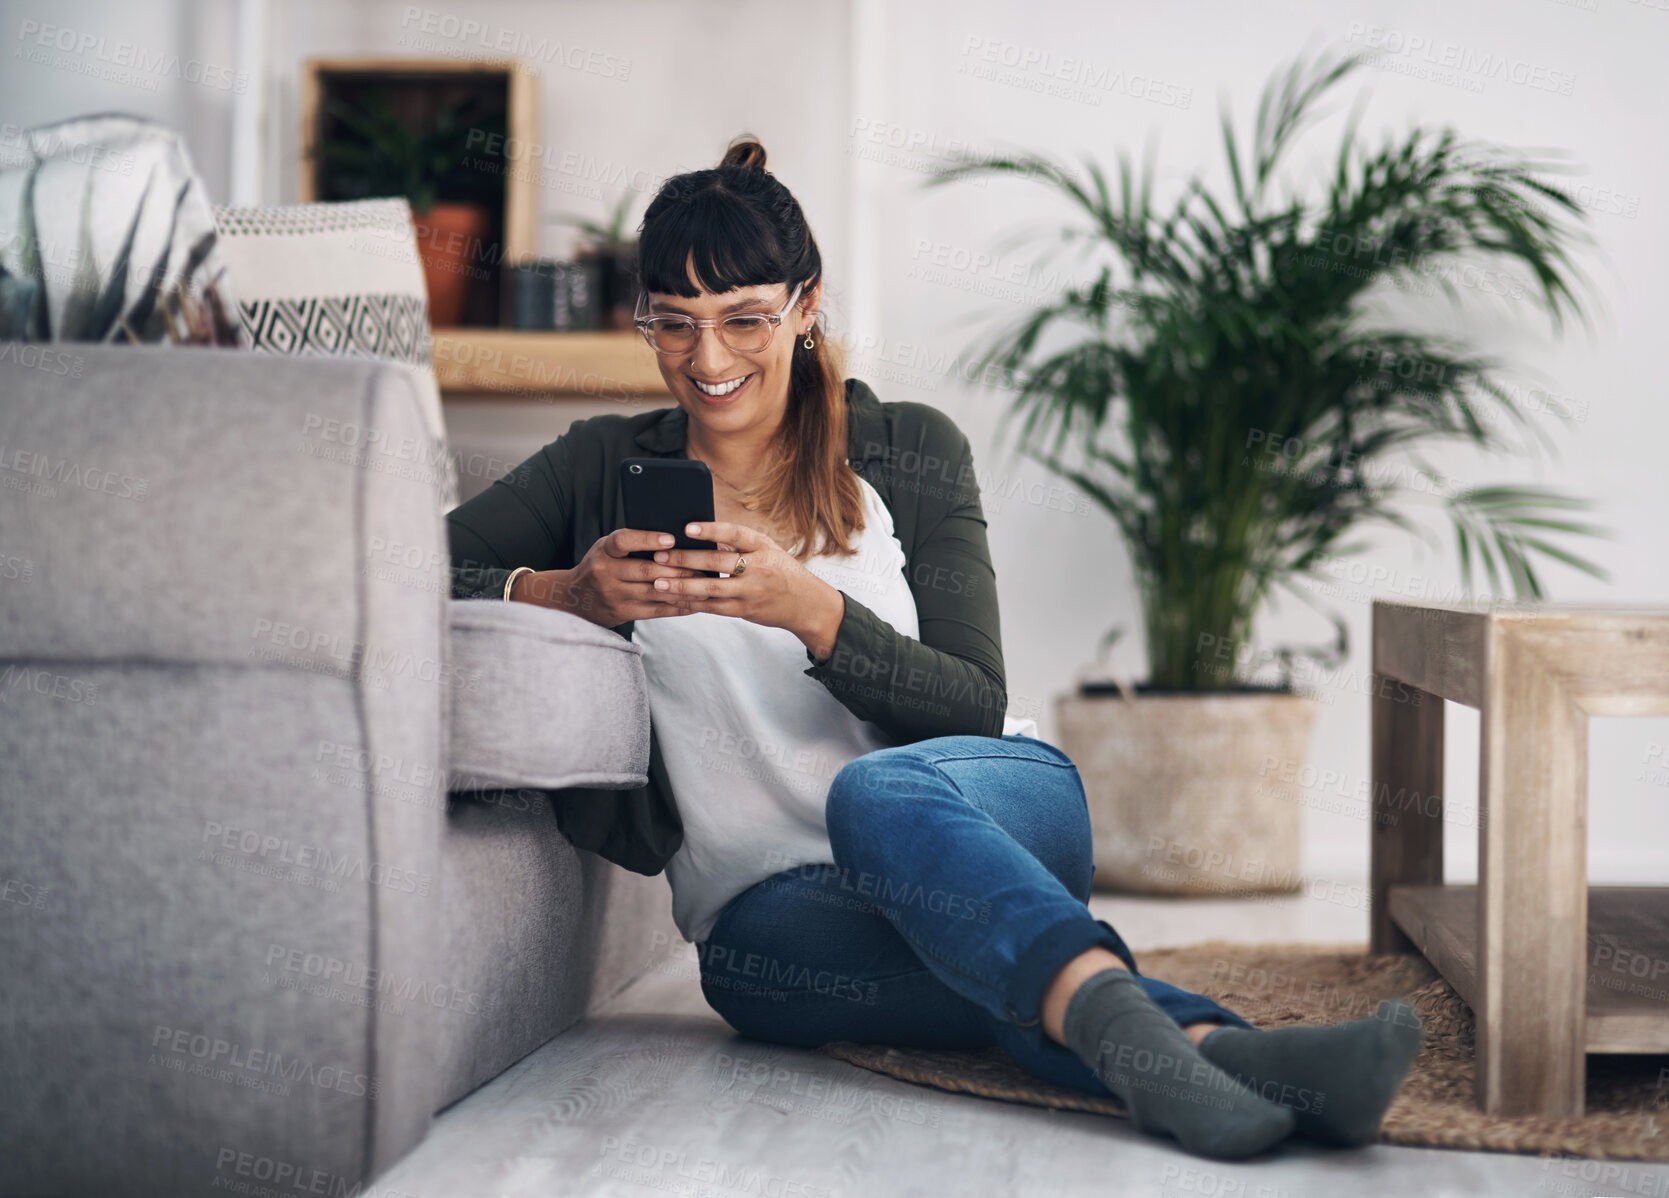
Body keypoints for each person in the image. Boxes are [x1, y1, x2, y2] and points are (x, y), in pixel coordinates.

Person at [447, 136, 1423, 1161]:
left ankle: (1202, 1054)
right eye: (674, 324)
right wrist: (563, 590)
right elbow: (398, 570)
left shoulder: (908, 447)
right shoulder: (596, 466)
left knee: (872, 797)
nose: (708, 358)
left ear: (807, 304)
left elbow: (969, 698)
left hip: (981, 806)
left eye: (745, 319)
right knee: (959, 971)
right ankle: (1229, 1055)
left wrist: (808, 608)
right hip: (772, 914)